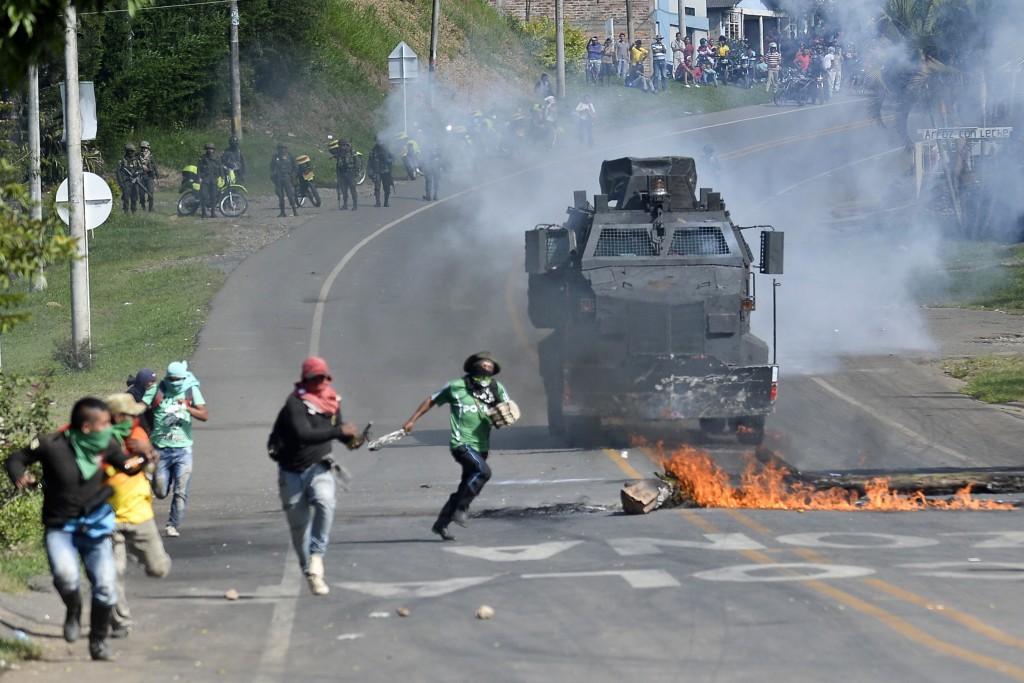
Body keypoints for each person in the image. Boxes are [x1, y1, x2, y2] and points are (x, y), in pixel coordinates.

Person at [5, 397, 134, 661]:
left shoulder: (106, 445)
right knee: (65, 577)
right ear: (86, 427)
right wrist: (19, 475)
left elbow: (127, 465)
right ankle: (73, 609)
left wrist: (143, 459)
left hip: (96, 527)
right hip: (60, 527)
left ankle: (97, 643)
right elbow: (16, 458)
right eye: (105, 423)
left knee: (106, 587)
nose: (110, 427)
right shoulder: (50, 445)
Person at [267, 357, 362, 596]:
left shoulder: (332, 401)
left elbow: (337, 432)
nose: (318, 382)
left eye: (322, 377)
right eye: (314, 378)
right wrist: (340, 431)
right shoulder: (295, 403)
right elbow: (303, 434)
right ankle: (310, 571)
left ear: (327, 378)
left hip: (319, 466)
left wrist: (352, 440)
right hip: (291, 471)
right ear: (305, 379)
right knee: (299, 527)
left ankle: (317, 554)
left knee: (325, 501)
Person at [402, 352, 513, 541]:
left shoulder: (497, 388)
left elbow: (505, 410)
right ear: (473, 366)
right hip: (461, 443)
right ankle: (461, 510)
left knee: (465, 487)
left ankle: (441, 524)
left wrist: (503, 418)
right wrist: (412, 421)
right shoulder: (456, 386)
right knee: (483, 472)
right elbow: (431, 400)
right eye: (483, 365)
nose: (486, 368)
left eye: (490, 366)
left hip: (482, 445)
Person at [105, 393, 171, 639]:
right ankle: (121, 622)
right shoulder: (99, 440)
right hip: (108, 517)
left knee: (158, 569)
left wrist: (149, 454)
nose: (136, 418)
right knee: (112, 573)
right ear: (118, 417)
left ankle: (138, 551)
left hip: (138, 514)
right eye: (132, 414)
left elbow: (150, 469)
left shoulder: (140, 435)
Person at [143, 360, 208, 538]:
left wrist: (187, 407)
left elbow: (204, 415)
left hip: (183, 450)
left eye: (178, 379)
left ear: (184, 378)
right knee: (161, 491)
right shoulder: (157, 390)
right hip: (160, 450)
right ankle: (159, 484)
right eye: (171, 379)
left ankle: (173, 524)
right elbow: (140, 408)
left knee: (181, 491)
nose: (174, 382)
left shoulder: (190, 389)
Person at [270, 143, 299, 217]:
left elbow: (295, 166)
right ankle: (282, 212)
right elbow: (271, 167)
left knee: (290, 195)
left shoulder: (290, 156)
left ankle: (294, 211)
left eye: (284, 148)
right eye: (280, 148)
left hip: (287, 177)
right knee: (280, 196)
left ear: (286, 149)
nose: (282, 150)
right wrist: (274, 174)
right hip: (278, 178)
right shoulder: (275, 157)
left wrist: (292, 175)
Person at [126, 368, 158, 434]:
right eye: (151, 383)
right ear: (142, 384)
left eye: (154, 381)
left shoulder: (154, 393)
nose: (154, 386)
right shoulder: (130, 396)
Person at [197, 142, 224, 219]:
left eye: (211, 149)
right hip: (205, 179)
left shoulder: (216, 158)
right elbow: (199, 169)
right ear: (206, 149)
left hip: (213, 180)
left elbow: (220, 167)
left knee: (213, 197)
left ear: (213, 150)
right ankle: (203, 213)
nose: (210, 150)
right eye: (208, 148)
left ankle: (213, 213)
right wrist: (199, 177)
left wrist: (222, 176)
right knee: (204, 196)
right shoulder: (203, 158)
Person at [117, 143, 143, 215]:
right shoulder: (122, 160)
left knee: (135, 196)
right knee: (126, 196)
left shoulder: (137, 160)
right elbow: (118, 172)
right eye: (129, 151)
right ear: (126, 151)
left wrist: (137, 172)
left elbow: (141, 169)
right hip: (126, 181)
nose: (131, 152)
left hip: (135, 180)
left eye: (132, 151)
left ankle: (134, 210)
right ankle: (126, 211)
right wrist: (121, 183)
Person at [367, 140, 394, 207]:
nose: (379, 143)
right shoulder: (373, 151)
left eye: (381, 142)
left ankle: (386, 202)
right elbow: (370, 162)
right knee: (377, 187)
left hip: (386, 171)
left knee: (387, 188)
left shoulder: (386, 150)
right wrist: (370, 172)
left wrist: (388, 161)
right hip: (377, 172)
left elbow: (392, 158)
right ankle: (377, 202)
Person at [335, 139, 359, 211]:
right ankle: (345, 205)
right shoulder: (339, 152)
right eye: (340, 146)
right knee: (344, 190)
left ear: (345, 145)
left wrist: (354, 171)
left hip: (350, 173)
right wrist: (338, 174)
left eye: (342, 146)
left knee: (352, 190)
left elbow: (357, 162)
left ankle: (355, 205)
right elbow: (338, 164)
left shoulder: (351, 151)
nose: (341, 147)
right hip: (342, 173)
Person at [137, 141, 158, 212]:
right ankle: (143, 207)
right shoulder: (137, 156)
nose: (144, 149)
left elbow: (155, 167)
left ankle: (151, 208)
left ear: (148, 148)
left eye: (145, 148)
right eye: (142, 148)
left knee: (150, 192)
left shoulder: (151, 157)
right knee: (141, 194)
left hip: (149, 176)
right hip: (140, 177)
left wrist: (157, 177)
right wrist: (141, 166)